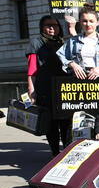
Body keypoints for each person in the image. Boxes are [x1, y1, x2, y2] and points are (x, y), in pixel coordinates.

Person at [26, 15, 71, 156]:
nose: (52, 28)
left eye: (55, 25)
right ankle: (55, 153)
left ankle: (66, 151)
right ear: (42, 27)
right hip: (46, 87)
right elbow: (32, 69)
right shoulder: (36, 43)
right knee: (51, 123)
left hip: (63, 88)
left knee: (66, 121)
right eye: (48, 25)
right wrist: (31, 89)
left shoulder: (64, 42)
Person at [56, 5, 99, 80]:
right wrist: (72, 65)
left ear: (97, 22)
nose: (88, 24)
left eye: (91, 21)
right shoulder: (73, 41)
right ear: (80, 22)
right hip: (78, 82)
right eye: (84, 21)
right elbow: (61, 54)